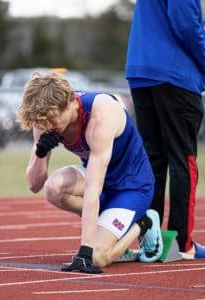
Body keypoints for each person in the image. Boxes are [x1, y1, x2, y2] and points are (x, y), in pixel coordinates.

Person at [17, 71, 163, 274]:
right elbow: (35, 185)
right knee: (53, 188)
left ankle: (144, 223)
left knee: (97, 257)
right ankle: (108, 230)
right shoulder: (45, 121)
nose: (48, 126)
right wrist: (41, 152)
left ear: (68, 103)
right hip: (99, 179)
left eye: (52, 119)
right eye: (43, 122)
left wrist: (85, 252)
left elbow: (93, 188)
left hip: (131, 187)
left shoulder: (100, 112)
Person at [126, 0, 205, 259]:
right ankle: (182, 244)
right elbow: (186, 23)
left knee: (152, 161)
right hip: (175, 73)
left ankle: (154, 243)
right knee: (184, 159)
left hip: (141, 70)